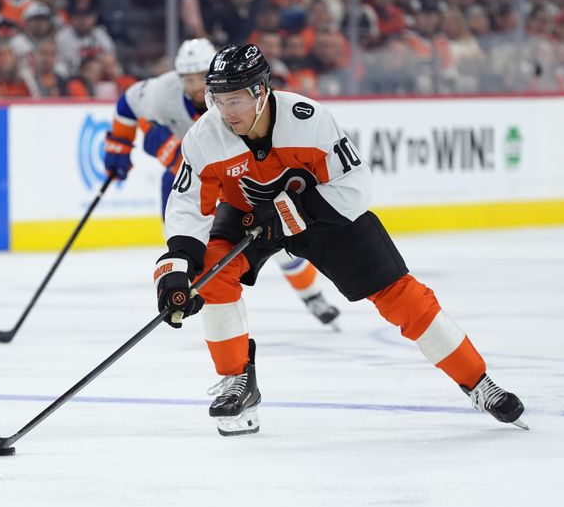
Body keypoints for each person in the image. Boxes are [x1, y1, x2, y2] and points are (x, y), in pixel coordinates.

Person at [152, 43, 527, 436]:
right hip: (247, 215)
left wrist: (296, 215)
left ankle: (478, 382)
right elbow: (187, 204)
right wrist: (178, 265)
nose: (226, 114)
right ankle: (237, 383)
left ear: (261, 92)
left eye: (235, 101)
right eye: (219, 101)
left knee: (399, 293)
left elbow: (355, 186)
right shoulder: (204, 136)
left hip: (323, 216)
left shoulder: (308, 119)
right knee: (211, 275)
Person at [104, 38, 341, 327]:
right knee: (185, 245)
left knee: (275, 243)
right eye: (186, 79)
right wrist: (119, 145)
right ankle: (202, 305)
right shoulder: (162, 92)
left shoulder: (231, 97)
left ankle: (311, 295)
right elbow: (128, 104)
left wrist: (168, 151)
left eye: (199, 78)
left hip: (235, 175)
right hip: (190, 176)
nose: (193, 86)